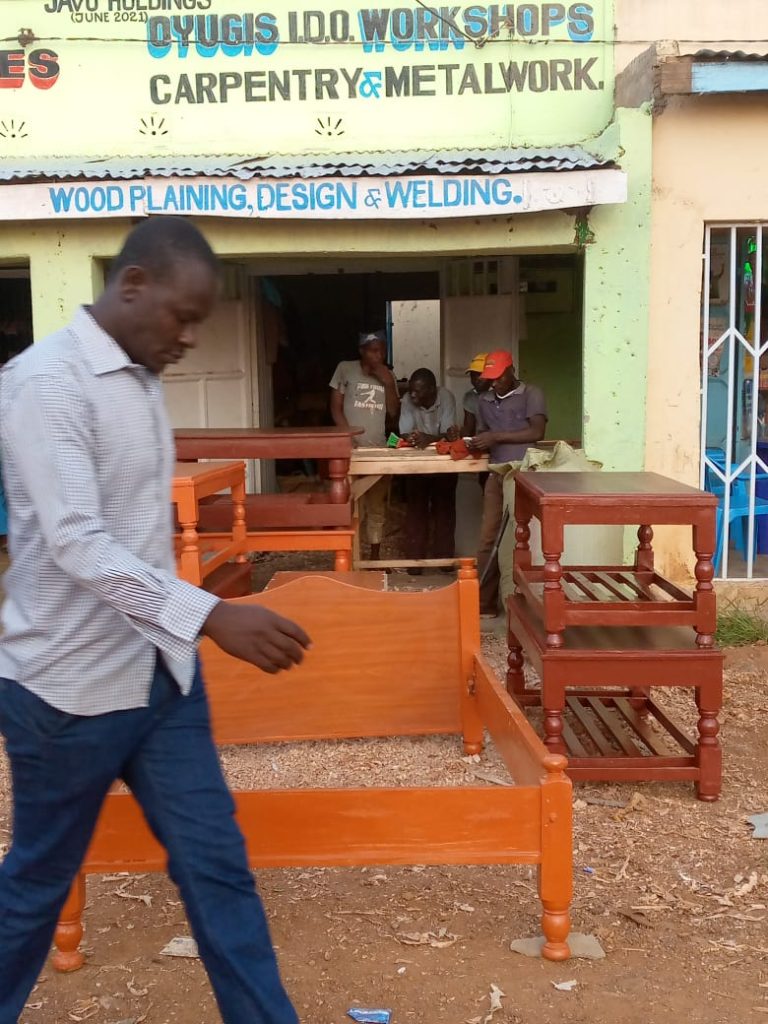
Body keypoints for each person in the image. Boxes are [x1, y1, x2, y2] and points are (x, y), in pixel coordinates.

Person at [0, 218, 311, 1024]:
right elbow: (75, 541)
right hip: (67, 694)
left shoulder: (137, 374)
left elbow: (137, 531)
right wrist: (207, 613)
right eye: (182, 315)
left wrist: (186, 626)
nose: (190, 337)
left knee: (218, 870)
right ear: (131, 284)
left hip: (160, 677)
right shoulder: (46, 383)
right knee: (37, 888)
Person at [468, 350, 547, 617]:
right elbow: (483, 435)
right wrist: (473, 442)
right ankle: (485, 603)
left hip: (523, 474)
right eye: (489, 378)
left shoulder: (531, 394)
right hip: (496, 474)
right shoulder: (484, 401)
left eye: (498, 377)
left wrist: (495, 437)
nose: (493, 383)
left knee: (518, 539)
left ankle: (520, 603)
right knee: (487, 538)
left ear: (511, 371)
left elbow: (537, 432)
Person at [329, 329, 399, 560]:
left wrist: (388, 383)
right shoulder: (345, 369)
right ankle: (348, 556)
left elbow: (393, 414)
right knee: (349, 504)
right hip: (350, 450)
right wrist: (346, 435)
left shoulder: (388, 376)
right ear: (361, 351)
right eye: (373, 351)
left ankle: (374, 558)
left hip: (377, 449)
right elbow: (335, 408)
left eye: (382, 351)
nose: (378, 356)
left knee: (376, 507)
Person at [399, 368, 460, 571]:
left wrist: (429, 438)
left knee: (444, 512)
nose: (413, 395)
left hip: (443, 465)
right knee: (416, 512)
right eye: (411, 391)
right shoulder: (408, 399)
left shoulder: (446, 398)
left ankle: (444, 562)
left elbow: (449, 435)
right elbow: (405, 432)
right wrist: (412, 438)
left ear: (432, 389)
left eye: (418, 391)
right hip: (416, 466)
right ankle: (415, 564)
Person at [461, 352, 491, 437]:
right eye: (473, 376)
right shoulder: (470, 396)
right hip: (480, 443)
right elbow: (468, 429)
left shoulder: (499, 394)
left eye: (480, 375)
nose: (476, 380)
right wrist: (460, 434)